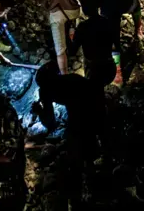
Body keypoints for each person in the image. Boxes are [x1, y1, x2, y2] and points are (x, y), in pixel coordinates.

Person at [33, 62, 107, 208]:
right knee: (88, 143)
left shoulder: (48, 90)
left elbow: (50, 123)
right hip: (93, 106)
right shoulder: (72, 79)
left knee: (79, 147)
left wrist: (40, 111)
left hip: (86, 114)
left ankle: (84, 188)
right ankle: (93, 171)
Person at [40, 0, 81, 74]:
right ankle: (71, 33)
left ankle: (64, 74)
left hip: (57, 13)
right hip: (74, 11)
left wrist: (48, 8)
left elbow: (42, 0)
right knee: (70, 21)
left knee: (60, 50)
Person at [70, 0, 116, 87]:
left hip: (94, 72)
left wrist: (67, 36)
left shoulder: (83, 27)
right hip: (110, 69)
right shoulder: (107, 22)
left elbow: (72, 52)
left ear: (84, 7)